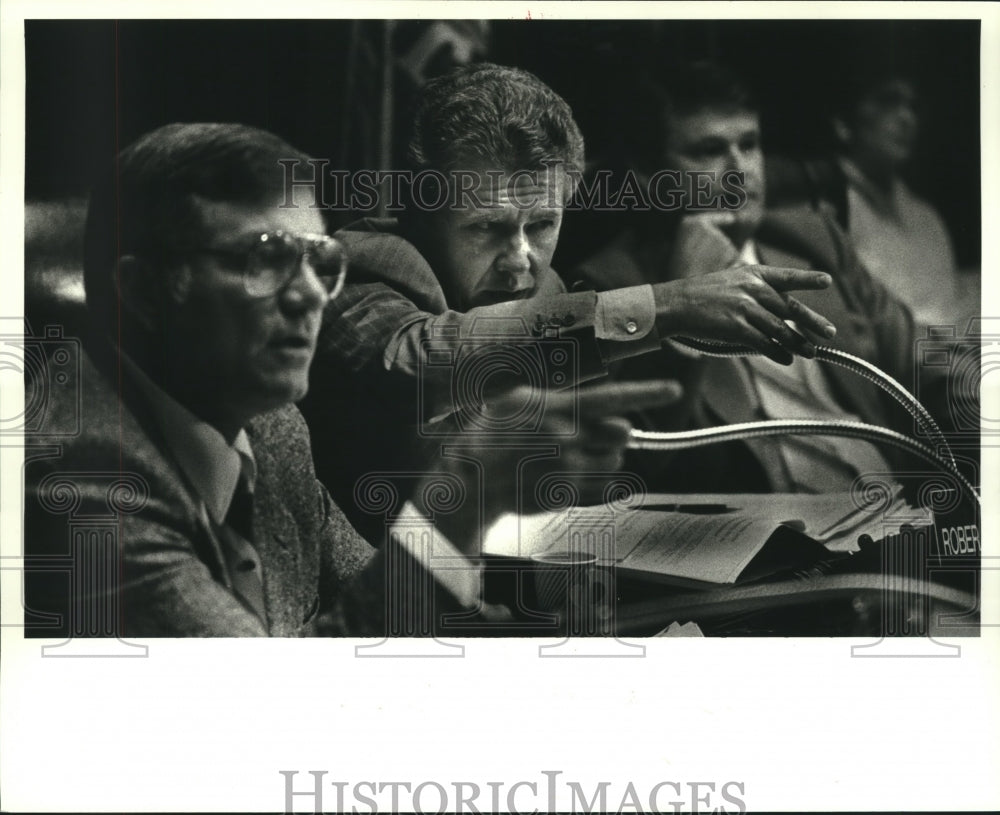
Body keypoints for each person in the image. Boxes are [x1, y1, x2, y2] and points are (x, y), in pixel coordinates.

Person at [21, 122, 662, 638]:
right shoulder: (85, 477)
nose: (309, 297)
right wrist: (464, 496)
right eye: (264, 259)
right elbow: (282, 713)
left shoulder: (272, 425)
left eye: (320, 262)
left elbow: (378, 600)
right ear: (143, 292)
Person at [301, 62, 837, 534]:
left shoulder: (551, 295)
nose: (521, 259)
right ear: (417, 212)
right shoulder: (358, 273)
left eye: (542, 224)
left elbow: (632, 482)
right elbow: (425, 354)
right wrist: (667, 305)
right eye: (487, 227)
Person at [572, 62, 926, 494]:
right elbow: (628, 471)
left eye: (750, 144)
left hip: (893, 497)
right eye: (708, 150)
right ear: (650, 175)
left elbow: (918, 356)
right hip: (772, 536)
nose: (739, 170)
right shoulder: (610, 285)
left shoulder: (814, 237)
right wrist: (682, 315)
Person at [831, 74, 971, 330]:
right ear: (843, 124)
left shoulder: (927, 218)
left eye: (913, 106)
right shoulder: (828, 212)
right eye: (887, 101)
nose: (907, 118)